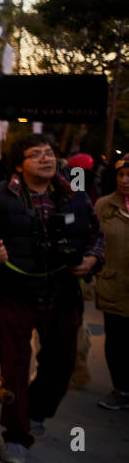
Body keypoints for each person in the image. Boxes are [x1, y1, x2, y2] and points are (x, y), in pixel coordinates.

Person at [0, 132, 104, 463]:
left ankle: (36, 410)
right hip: (15, 293)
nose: (46, 159)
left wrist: (92, 260)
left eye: (49, 153)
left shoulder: (75, 196)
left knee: (62, 363)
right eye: (35, 154)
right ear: (18, 164)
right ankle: (16, 436)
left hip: (63, 292)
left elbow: (95, 236)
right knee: (14, 367)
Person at [94, 155, 129, 410]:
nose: (125, 180)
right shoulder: (104, 206)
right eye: (121, 175)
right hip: (113, 283)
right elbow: (92, 241)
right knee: (116, 339)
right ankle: (121, 389)